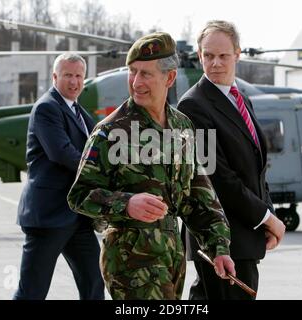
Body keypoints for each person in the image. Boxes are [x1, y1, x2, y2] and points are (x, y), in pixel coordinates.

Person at [67, 32, 235, 300]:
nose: (136, 82)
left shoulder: (182, 127)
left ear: (169, 78)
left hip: (171, 258)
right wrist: (126, 204)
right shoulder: (111, 131)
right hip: (131, 262)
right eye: (132, 72)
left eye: (146, 74)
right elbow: (80, 196)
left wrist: (219, 247)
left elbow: (198, 193)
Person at [177, 20, 286, 300]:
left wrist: (267, 217)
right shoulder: (193, 105)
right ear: (200, 56)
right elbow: (219, 178)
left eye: (223, 55)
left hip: (243, 238)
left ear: (237, 54)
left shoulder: (240, 99)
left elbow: (255, 168)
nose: (215, 63)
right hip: (221, 240)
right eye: (208, 56)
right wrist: (267, 218)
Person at [13, 53, 104, 300]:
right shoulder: (47, 108)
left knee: (94, 282)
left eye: (78, 76)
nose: (74, 81)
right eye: (67, 75)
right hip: (49, 217)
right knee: (32, 292)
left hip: (77, 216)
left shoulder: (80, 113)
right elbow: (62, 153)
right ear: (55, 77)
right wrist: (101, 174)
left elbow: (97, 149)